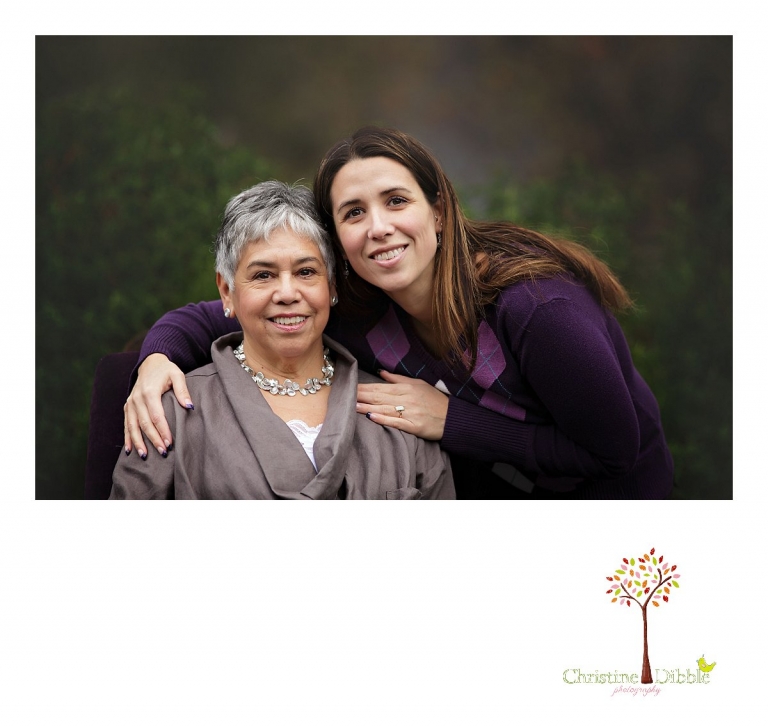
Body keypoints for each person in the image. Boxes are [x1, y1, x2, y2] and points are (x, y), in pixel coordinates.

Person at [123, 127, 674, 499]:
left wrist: (451, 420)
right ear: (337, 240)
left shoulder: (539, 309)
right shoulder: (357, 310)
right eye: (354, 212)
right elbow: (219, 314)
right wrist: (155, 360)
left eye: (396, 201)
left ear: (437, 212)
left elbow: (613, 455)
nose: (379, 227)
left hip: (613, 513)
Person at [111, 180, 455, 499]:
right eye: (263, 275)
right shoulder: (169, 413)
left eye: (306, 272)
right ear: (227, 291)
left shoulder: (402, 412)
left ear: (332, 286)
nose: (288, 293)